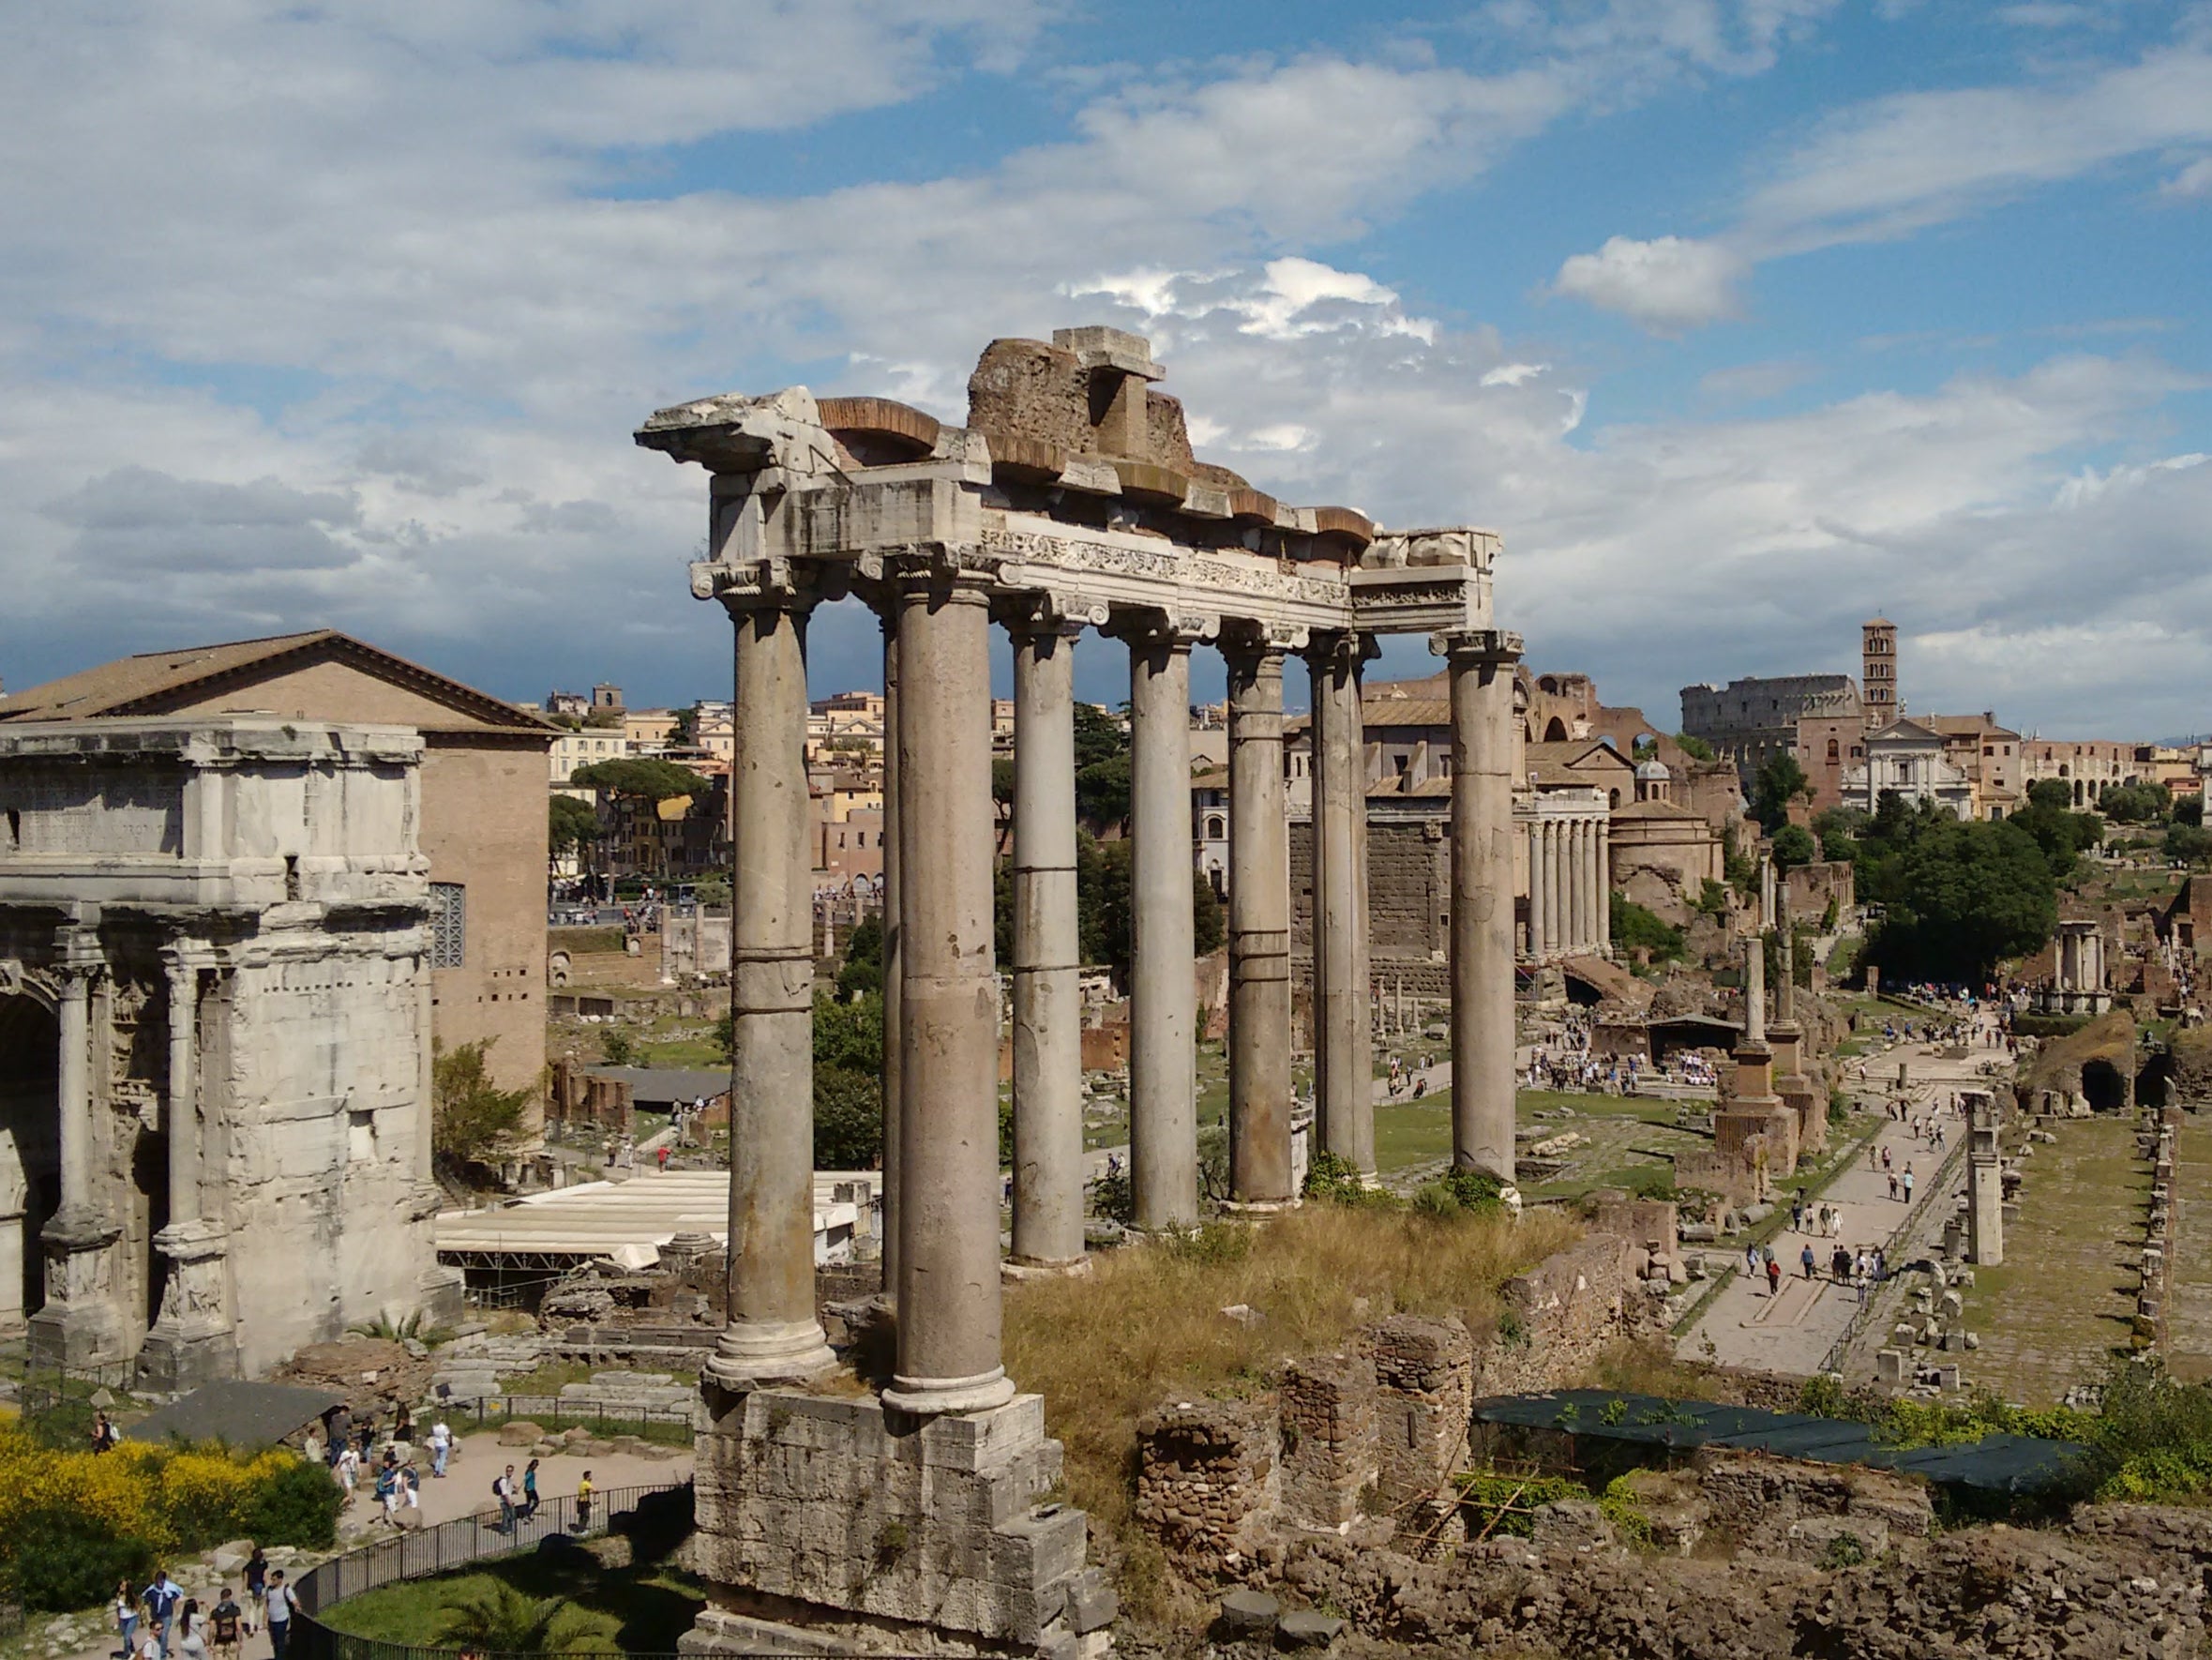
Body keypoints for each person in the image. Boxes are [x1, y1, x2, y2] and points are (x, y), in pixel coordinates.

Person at [143, 1570, 183, 1660]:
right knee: (155, 1635)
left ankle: (162, 1656)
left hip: (167, 1615)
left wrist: (179, 1613)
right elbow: (146, 1604)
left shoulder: (169, 1589)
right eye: (158, 1581)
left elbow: (176, 1601)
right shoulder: (152, 1590)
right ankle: (154, 1652)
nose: (159, 1583)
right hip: (155, 1616)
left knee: (163, 1635)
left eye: (161, 1581)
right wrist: (148, 1617)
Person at [263, 1571, 299, 1660]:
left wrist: (297, 1607)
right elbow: (266, 1605)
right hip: (272, 1620)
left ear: (280, 1580)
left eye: (274, 1579)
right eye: (272, 1579)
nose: (272, 1581)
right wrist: (264, 1619)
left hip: (281, 1620)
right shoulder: (269, 1590)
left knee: (280, 1643)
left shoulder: (286, 1590)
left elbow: (295, 1601)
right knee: (274, 1642)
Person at [208, 1591, 242, 1660]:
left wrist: (209, 1643)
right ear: (230, 1597)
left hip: (219, 1642)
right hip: (232, 1641)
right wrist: (240, 1641)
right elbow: (239, 1627)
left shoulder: (215, 1612)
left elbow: (211, 1630)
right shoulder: (235, 1610)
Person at [115, 1577, 141, 1660]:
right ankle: (132, 1650)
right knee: (126, 1636)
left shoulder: (131, 1596)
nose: (121, 1587)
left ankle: (126, 1655)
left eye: (123, 1586)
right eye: (120, 1585)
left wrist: (140, 1618)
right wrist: (118, 1620)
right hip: (123, 1619)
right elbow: (118, 1609)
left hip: (132, 1618)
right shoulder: (118, 1595)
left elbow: (137, 1607)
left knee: (127, 1637)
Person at [496, 1463, 519, 1532]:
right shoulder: (503, 1481)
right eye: (508, 1471)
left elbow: (510, 1488)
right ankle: (505, 1530)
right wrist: (509, 1502)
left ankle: (509, 1528)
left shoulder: (510, 1479)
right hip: (504, 1501)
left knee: (511, 1515)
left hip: (509, 1500)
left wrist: (515, 1489)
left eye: (510, 1471)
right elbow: (504, 1493)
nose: (509, 1472)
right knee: (507, 1516)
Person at [429, 1414, 451, 1478]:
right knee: (442, 1459)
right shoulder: (444, 1427)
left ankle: (436, 1470)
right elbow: (446, 1436)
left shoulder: (434, 1427)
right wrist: (449, 1442)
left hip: (437, 1443)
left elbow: (432, 1433)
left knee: (438, 1458)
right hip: (443, 1443)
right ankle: (440, 1472)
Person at [575, 1469, 594, 1533]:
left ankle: (580, 1528)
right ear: (588, 1477)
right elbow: (593, 1490)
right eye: (590, 1476)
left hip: (580, 1501)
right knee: (586, 1516)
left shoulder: (581, 1483)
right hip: (584, 1501)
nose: (591, 1478)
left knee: (581, 1516)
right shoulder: (586, 1484)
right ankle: (582, 1530)